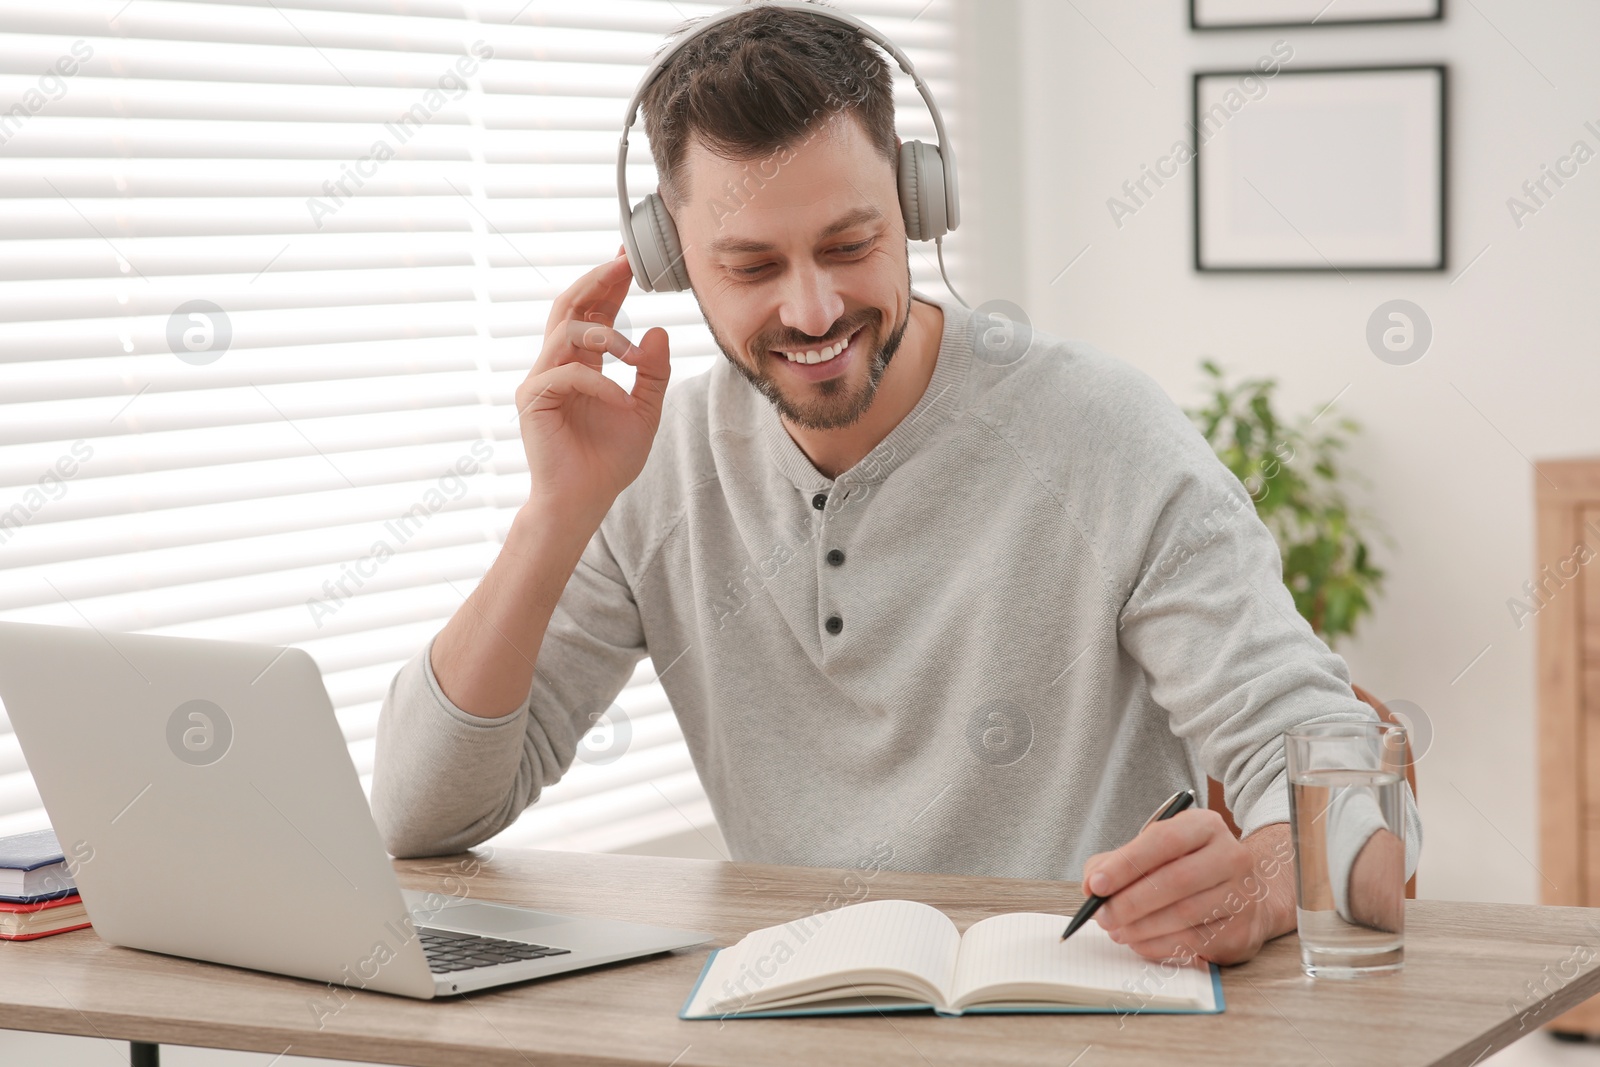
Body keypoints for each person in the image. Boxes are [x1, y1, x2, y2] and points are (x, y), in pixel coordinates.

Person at [372, 0, 1421, 967]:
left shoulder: (1104, 434)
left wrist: (1266, 879)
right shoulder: (654, 464)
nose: (815, 308)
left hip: (1079, 1020)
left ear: (919, 204)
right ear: (666, 258)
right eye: (750, 266)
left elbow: (1343, 786)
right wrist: (556, 513)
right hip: (803, 1016)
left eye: (850, 242)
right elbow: (416, 815)